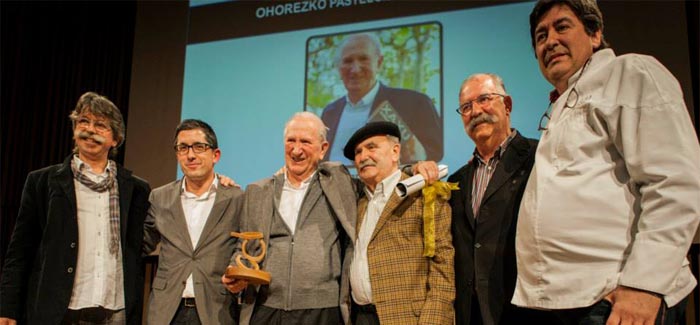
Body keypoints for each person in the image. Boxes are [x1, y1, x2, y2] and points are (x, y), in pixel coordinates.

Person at [513, 1, 700, 324]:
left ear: (595, 34)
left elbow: (674, 182)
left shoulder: (629, 72)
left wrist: (644, 286)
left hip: (618, 298)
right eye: (541, 36)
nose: (550, 41)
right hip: (572, 301)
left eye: (562, 26)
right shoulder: (564, 102)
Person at [0, 92, 151, 324]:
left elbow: (138, 246)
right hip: (59, 309)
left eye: (100, 125)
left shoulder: (136, 189)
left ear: (116, 139)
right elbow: (20, 251)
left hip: (115, 312)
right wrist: (7, 308)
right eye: (83, 121)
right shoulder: (43, 181)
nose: (90, 130)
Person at [222, 112, 359, 325]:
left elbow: (378, 177)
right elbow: (246, 245)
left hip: (323, 309)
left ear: (323, 149)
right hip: (267, 307)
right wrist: (236, 273)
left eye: (305, 141)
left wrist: (414, 168)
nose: (296, 150)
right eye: (290, 141)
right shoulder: (259, 191)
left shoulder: (339, 184)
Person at [446, 73, 556, 324]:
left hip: (529, 310)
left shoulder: (540, 157)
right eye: (466, 107)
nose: (475, 111)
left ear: (507, 105)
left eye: (484, 99)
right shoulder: (456, 181)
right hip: (472, 314)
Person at [344, 121, 455, 324]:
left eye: (371, 147)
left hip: (409, 318)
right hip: (360, 317)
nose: (363, 156)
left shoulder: (425, 192)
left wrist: (434, 319)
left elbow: (443, 263)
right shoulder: (356, 201)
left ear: (395, 152)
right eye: (358, 152)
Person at [143, 119, 244, 324]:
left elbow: (245, 245)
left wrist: (236, 271)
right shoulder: (160, 197)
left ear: (215, 155)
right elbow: (140, 244)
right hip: (167, 309)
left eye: (199, 147)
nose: (190, 155)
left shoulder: (236, 198)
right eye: (183, 148)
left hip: (216, 309)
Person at [321, 32, 443, 165]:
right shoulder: (329, 113)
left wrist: (417, 156)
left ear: (379, 63)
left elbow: (436, 155)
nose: (355, 69)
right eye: (348, 61)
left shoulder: (415, 103)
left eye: (363, 59)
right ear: (339, 68)